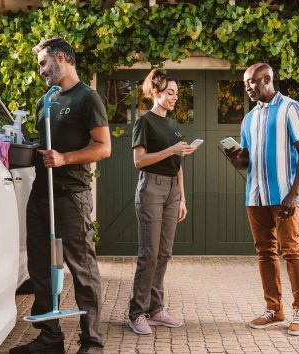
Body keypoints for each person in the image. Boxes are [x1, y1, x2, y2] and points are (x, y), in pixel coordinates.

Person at [10, 38, 111, 354]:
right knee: (40, 268)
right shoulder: (45, 100)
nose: (40, 71)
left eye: (43, 63)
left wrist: (65, 158)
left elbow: (104, 147)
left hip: (71, 196)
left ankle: (92, 341)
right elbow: (45, 144)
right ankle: (50, 338)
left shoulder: (87, 98)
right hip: (40, 196)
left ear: (63, 57)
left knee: (82, 269)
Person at [225, 63, 299, 336]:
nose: (248, 87)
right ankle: (274, 309)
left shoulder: (292, 108)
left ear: (267, 79)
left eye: (251, 82)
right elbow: (246, 160)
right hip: (255, 195)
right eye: (245, 83)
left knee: (292, 251)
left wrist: (293, 192)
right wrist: (235, 158)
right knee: (265, 253)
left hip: (283, 196)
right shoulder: (248, 118)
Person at [128, 69, 197, 335]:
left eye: (177, 94)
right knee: (149, 253)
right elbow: (139, 162)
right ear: (156, 92)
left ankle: (155, 310)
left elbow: (177, 164)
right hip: (151, 188)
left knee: (165, 252)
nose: (174, 98)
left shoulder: (173, 124)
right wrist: (171, 149)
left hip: (171, 192)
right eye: (170, 93)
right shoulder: (144, 122)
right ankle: (137, 313)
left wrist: (182, 198)